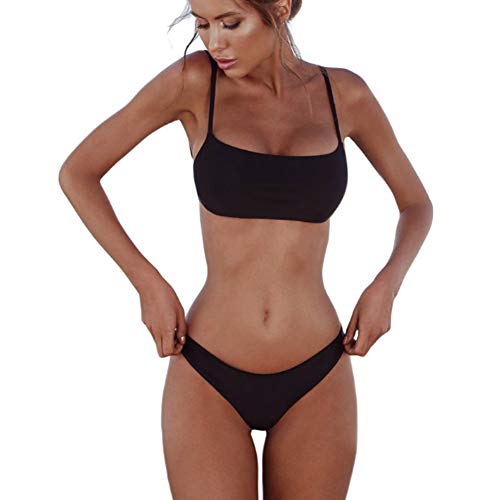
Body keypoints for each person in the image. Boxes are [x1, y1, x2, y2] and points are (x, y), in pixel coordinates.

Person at [58, 0, 433, 498]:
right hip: (208, 368)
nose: (214, 42)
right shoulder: (194, 83)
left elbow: (416, 204)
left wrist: (387, 284)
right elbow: (78, 173)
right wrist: (147, 283)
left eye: (230, 23)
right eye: (202, 24)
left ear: (280, 8)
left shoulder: (345, 95)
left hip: (318, 370)